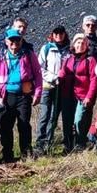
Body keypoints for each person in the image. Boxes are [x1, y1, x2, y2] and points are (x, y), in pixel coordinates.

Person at [0, 28, 44, 163]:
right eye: (11, 40)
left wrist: (37, 92)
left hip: (23, 95)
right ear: (6, 41)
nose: (14, 43)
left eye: (17, 40)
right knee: (6, 126)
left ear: (21, 40)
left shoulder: (29, 55)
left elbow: (38, 74)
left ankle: (26, 153)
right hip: (6, 96)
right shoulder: (0, 57)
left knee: (24, 124)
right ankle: (7, 154)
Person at [59, 33, 97, 153]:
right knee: (67, 121)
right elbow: (62, 73)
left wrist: (89, 97)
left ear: (87, 45)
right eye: (78, 42)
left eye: (83, 43)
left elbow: (94, 80)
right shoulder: (67, 59)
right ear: (73, 44)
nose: (80, 45)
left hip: (83, 96)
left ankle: (80, 143)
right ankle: (68, 144)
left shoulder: (90, 60)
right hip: (67, 95)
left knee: (79, 120)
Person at [35, 26, 69, 155]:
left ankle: (48, 143)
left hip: (61, 88)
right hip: (48, 86)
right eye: (56, 33)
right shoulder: (47, 48)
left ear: (65, 34)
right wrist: (53, 78)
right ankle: (40, 143)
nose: (59, 35)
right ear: (53, 35)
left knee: (54, 116)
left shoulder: (68, 50)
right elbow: (40, 68)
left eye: (61, 33)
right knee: (44, 115)